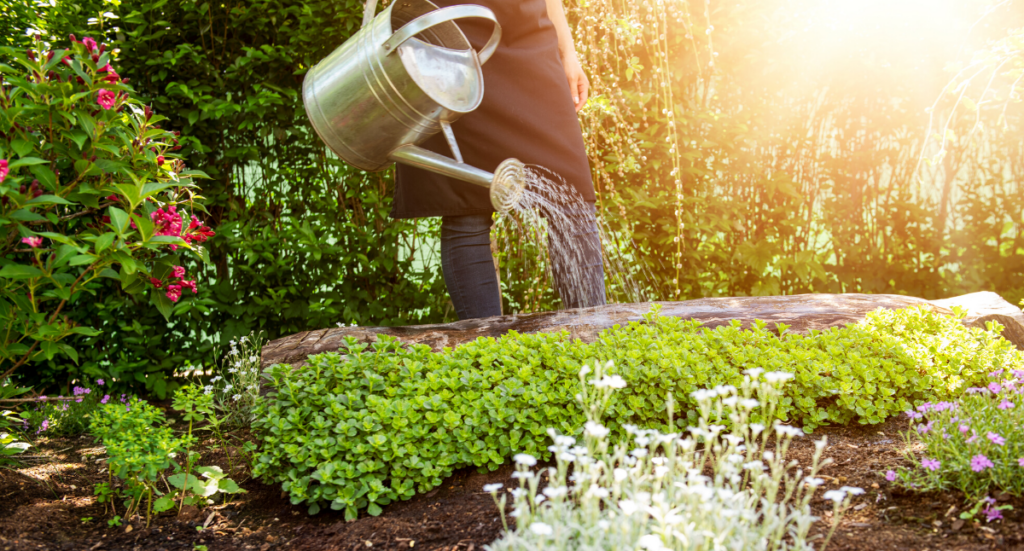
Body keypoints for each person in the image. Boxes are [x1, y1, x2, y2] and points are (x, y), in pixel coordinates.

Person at [392, 0, 606, 320]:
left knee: (570, 198)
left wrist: (568, 52)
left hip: (529, 34)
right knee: (466, 204)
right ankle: (487, 351)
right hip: (450, 33)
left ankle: (594, 337)